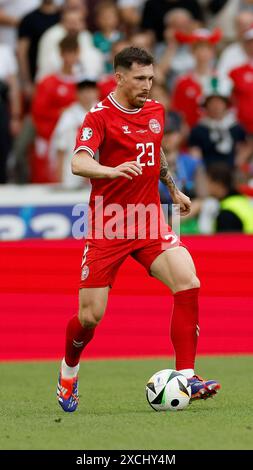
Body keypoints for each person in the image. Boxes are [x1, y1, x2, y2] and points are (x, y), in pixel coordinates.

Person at [56, 46, 220, 412]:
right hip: (108, 225)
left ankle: (187, 376)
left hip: (149, 219)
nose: (148, 85)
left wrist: (173, 189)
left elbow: (155, 151)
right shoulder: (98, 116)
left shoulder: (156, 111)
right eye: (140, 78)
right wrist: (110, 170)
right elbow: (78, 162)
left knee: (188, 282)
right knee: (89, 317)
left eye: (151, 78)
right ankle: (69, 371)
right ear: (119, 77)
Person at [206, 162, 253, 233]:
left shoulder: (227, 214)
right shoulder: (241, 201)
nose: (206, 186)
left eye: (208, 182)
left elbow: (228, 243)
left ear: (218, 183)